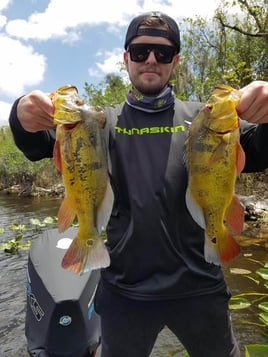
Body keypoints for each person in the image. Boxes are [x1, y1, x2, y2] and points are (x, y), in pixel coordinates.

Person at [9, 11, 268, 357]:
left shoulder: (204, 120)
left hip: (200, 289)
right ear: (125, 57)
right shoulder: (98, 123)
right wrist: (21, 115)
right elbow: (38, 145)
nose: (150, 59)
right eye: (140, 50)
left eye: (162, 53)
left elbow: (260, 149)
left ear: (175, 60)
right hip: (124, 294)